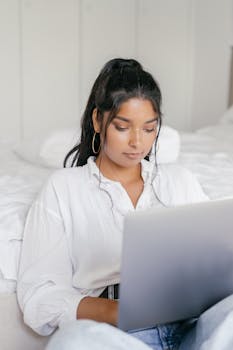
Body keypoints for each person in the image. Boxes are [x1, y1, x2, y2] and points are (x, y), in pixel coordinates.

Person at [17, 58, 209, 350]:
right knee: (72, 342)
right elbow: (40, 297)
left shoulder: (180, 181)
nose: (137, 142)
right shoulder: (64, 188)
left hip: (192, 326)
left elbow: (215, 264)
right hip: (117, 332)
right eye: (123, 127)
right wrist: (117, 312)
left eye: (149, 128)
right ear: (98, 121)